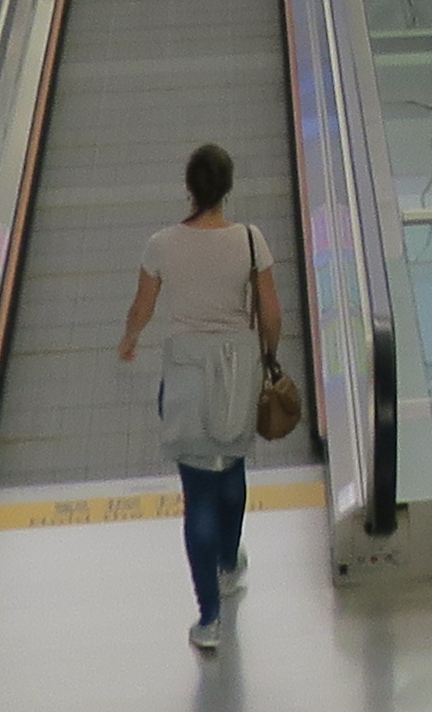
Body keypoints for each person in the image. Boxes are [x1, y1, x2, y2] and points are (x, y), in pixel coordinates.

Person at [115, 142, 285, 656]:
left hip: (186, 374)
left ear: (189, 188)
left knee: (198, 494)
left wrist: (129, 341)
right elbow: (271, 313)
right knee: (231, 472)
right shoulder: (251, 241)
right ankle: (230, 564)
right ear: (227, 188)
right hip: (238, 367)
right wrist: (268, 358)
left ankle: (208, 617)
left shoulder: (161, 244)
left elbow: (143, 307)